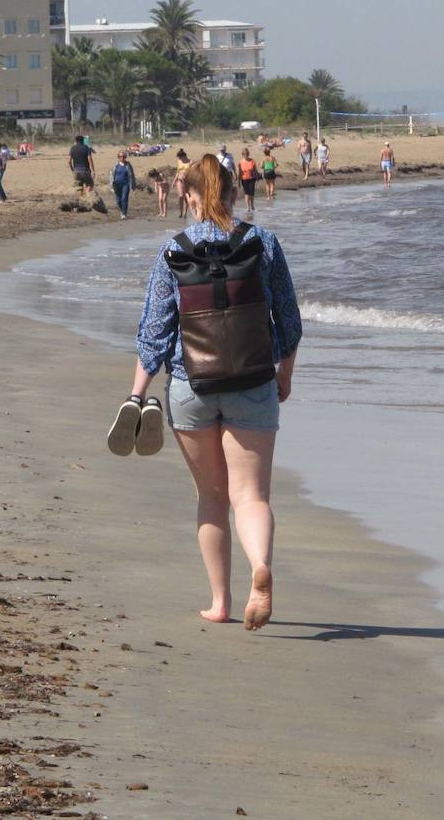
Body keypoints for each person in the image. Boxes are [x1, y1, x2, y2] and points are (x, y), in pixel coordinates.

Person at [130, 154, 302, 630]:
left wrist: (137, 392)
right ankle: (260, 569)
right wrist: (283, 372)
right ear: (232, 193)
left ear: (188, 196)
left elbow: (154, 331)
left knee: (211, 497)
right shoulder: (263, 242)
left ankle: (220, 602)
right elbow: (288, 322)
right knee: (251, 496)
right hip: (252, 381)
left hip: (191, 386)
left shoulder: (173, 249)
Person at [111, 151, 135, 220]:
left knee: (124, 198)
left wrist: (133, 185)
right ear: (118, 157)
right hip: (116, 184)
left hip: (125, 184)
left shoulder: (128, 165)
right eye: (121, 156)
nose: (122, 158)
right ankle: (121, 211)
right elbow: (111, 175)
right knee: (118, 200)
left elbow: (132, 175)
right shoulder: (115, 165)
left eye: (124, 156)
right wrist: (111, 185)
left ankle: (124, 214)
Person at [237, 147, 258, 214]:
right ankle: (248, 207)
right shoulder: (240, 162)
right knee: (246, 193)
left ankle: (252, 204)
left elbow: (255, 170)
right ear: (242, 155)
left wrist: (257, 177)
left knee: (252, 193)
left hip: (252, 178)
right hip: (244, 179)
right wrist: (238, 182)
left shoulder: (252, 161)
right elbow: (240, 172)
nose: (246, 155)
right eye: (244, 154)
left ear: (248, 154)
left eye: (247, 154)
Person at [174, 149, 192, 218]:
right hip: (179, 180)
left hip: (187, 182)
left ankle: (185, 213)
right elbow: (178, 172)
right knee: (181, 196)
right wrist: (174, 180)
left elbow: (192, 173)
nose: (179, 159)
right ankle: (180, 212)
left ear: (184, 156)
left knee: (186, 197)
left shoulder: (190, 162)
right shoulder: (179, 162)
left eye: (180, 157)